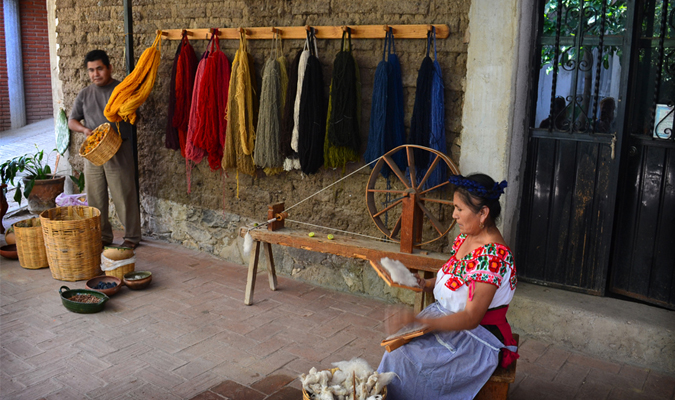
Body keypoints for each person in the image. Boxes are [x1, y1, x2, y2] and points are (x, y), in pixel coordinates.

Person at [378, 173, 518, 400]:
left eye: (460, 209)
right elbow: (454, 277)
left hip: (475, 338)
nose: (454, 215)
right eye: (455, 208)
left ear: (483, 213)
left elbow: (471, 318)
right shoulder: (467, 237)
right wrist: (425, 283)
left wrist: (422, 322)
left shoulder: (493, 257)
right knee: (396, 351)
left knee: (403, 360)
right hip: (450, 323)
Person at [68, 50, 141, 249]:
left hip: (119, 148)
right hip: (93, 153)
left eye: (99, 68)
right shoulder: (84, 94)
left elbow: (135, 116)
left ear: (109, 68)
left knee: (124, 195)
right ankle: (102, 236)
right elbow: (72, 121)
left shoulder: (121, 90)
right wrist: (84, 130)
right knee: (95, 197)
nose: (95, 74)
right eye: (91, 70)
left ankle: (132, 237)